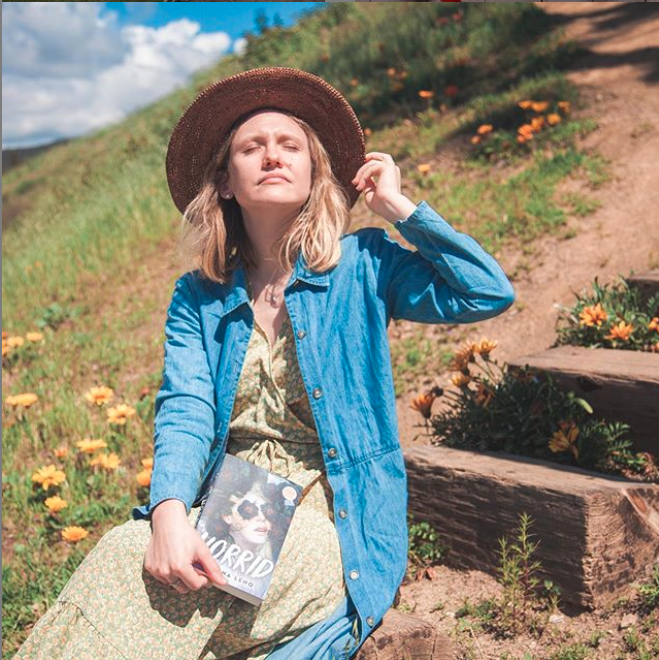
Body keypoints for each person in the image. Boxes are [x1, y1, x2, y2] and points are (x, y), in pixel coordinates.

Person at [14, 66, 515, 660]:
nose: (273, 156)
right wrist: (169, 512)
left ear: (314, 172)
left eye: (291, 146)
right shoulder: (198, 295)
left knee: (190, 589)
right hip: (226, 496)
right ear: (226, 181)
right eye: (252, 148)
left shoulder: (363, 265)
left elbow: (485, 292)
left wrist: (399, 207)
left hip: (329, 509)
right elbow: (187, 410)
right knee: (120, 557)